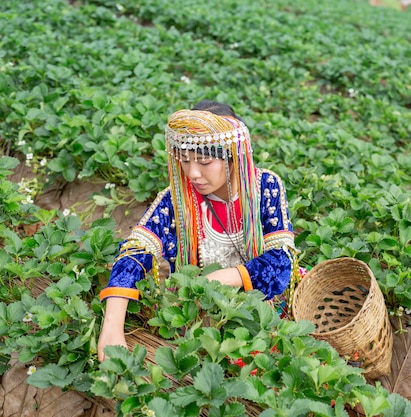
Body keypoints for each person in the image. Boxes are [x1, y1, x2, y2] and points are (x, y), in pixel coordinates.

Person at [98, 107, 299, 361]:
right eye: (184, 160)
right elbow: (135, 250)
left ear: (234, 158)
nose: (192, 173)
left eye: (204, 162)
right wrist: (112, 328)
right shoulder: (177, 199)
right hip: (201, 312)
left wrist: (219, 279)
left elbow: (281, 260)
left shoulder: (264, 187)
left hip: (259, 307)